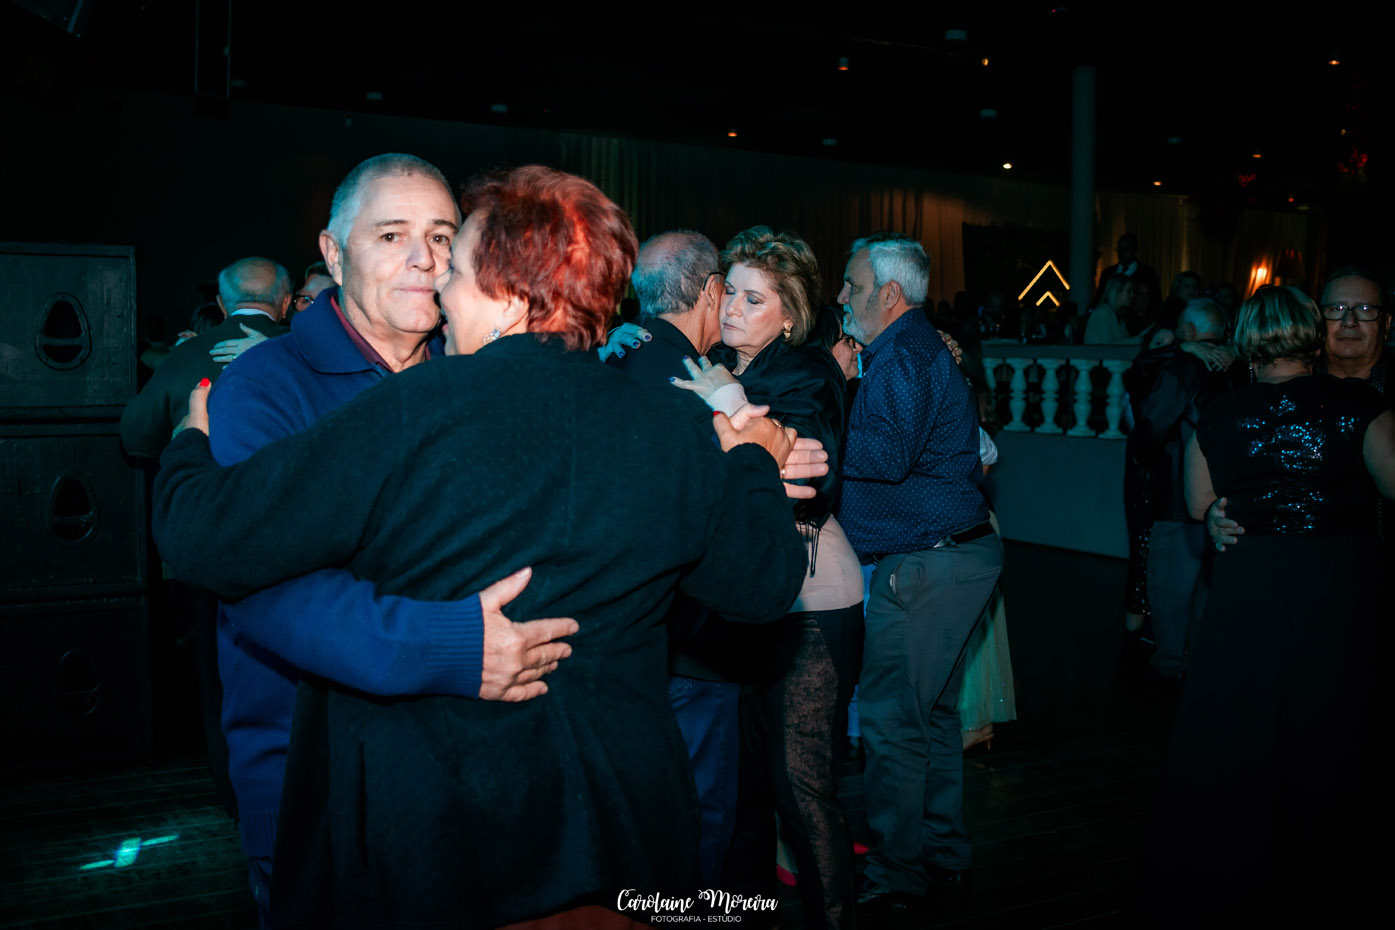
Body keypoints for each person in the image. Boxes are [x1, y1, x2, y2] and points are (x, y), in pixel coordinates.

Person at [152, 165, 811, 929]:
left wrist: (188, 448)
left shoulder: (416, 407)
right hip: (624, 827)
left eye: (454, 266)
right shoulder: (670, 429)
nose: (439, 283)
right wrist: (751, 462)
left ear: (506, 295)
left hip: (446, 826)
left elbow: (206, 538)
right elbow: (760, 583)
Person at [193, 155, 579, 928]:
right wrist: (451, 647)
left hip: (468, 764)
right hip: (315, 782)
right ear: (333, 254)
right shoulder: (265, 386)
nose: (424, 259)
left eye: (440, 236)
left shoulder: (475, 376)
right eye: (392, 235)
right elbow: (266, 587)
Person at [1143, 286, 1395, 925]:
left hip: (1250, 586)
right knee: (1332, 722)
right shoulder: (1359, 406)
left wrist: (1227, 513)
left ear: (1248, 340)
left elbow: (1199, 503)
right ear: (1312, 334)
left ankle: (1236, 865)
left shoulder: (1220, 412)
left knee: (1246, 723)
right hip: (1335, 585)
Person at [673, 226, 863, 930]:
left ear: (789, 315)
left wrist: (725, 398)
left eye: (754, 300)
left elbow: (806, 475)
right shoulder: (718, 361)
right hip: (750, 596)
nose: (731, 309)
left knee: (801, 788)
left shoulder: (806, 372)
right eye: (730, 293)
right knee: (745, 785)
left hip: (810, 596)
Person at [836, 233, 1002, 909]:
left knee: (891, 723)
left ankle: (895, 875)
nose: (841, 296)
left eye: (851, 285)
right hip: (952, 556)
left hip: (928, 563)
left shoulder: (901, 356)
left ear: (889, 294)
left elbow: (884, 456)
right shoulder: (913, 348)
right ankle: (941, 852)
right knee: (928, 717)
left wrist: (818, 413)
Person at [120, 257, 291, 458]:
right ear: (285, 303)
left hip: (204, 473)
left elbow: (137, 436)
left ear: (221, 304)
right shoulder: (305, 348)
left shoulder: (187, 352)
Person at [1084, 274, 1140, 345]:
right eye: (1128, 291)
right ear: (1116, 291)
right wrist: (1137, 340)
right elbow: (1107, 346)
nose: (1132, 295)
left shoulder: (1118, 315)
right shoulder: (1101, 313)